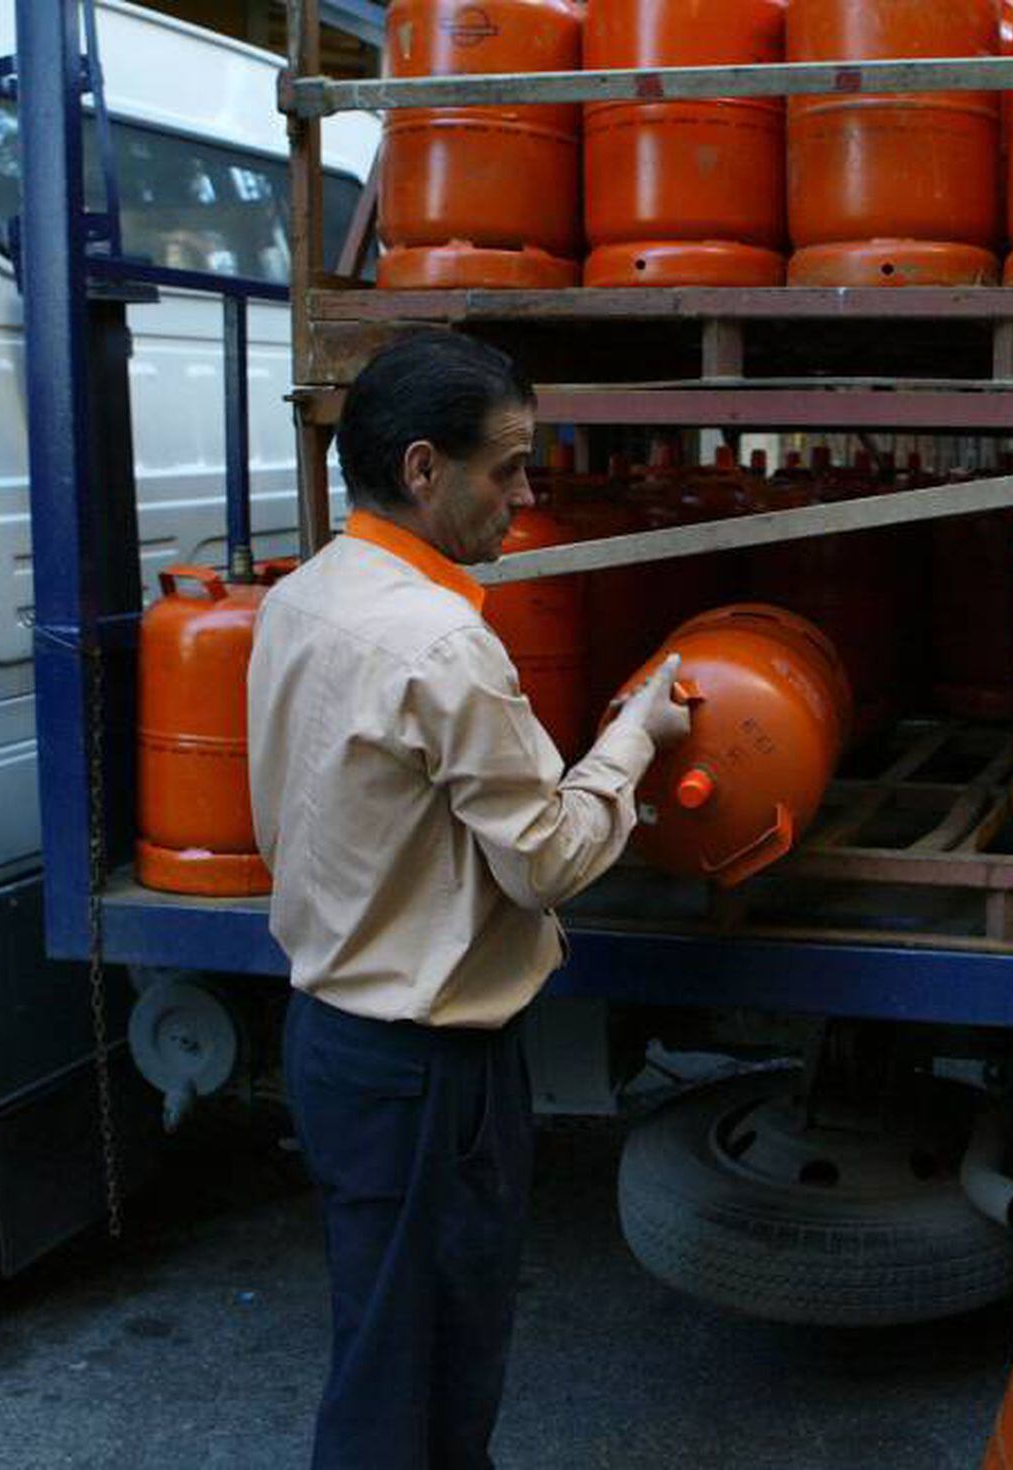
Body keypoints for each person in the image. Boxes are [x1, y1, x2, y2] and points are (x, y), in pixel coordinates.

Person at [247, 329, 689, 1469]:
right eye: (507, 468)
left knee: (398, 1350)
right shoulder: (443, 643)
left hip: (339, 1041)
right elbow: (542, 861)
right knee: (421, 1379)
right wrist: (631, 740)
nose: (524, 495)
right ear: (423, 469)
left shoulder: (303, 596)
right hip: (427, 1068)